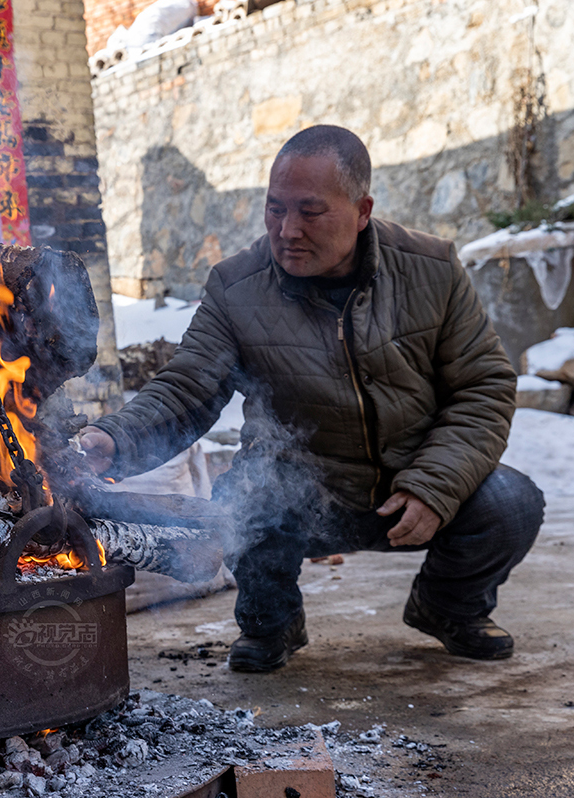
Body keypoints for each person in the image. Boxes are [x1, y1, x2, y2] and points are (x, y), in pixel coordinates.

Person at [79, 125, 544, 672]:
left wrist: (433, 486)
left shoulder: (432, 269)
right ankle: (271, 623)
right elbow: (188, 387)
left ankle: (447, 608)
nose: (287, 230)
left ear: (362, 209)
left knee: (511, 502)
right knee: (243, 499)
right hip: (303, 493)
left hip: (413, 486)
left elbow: (483, 386)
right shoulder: (236, 287)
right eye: (274, 209)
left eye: (310, 211)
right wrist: (114, 439)